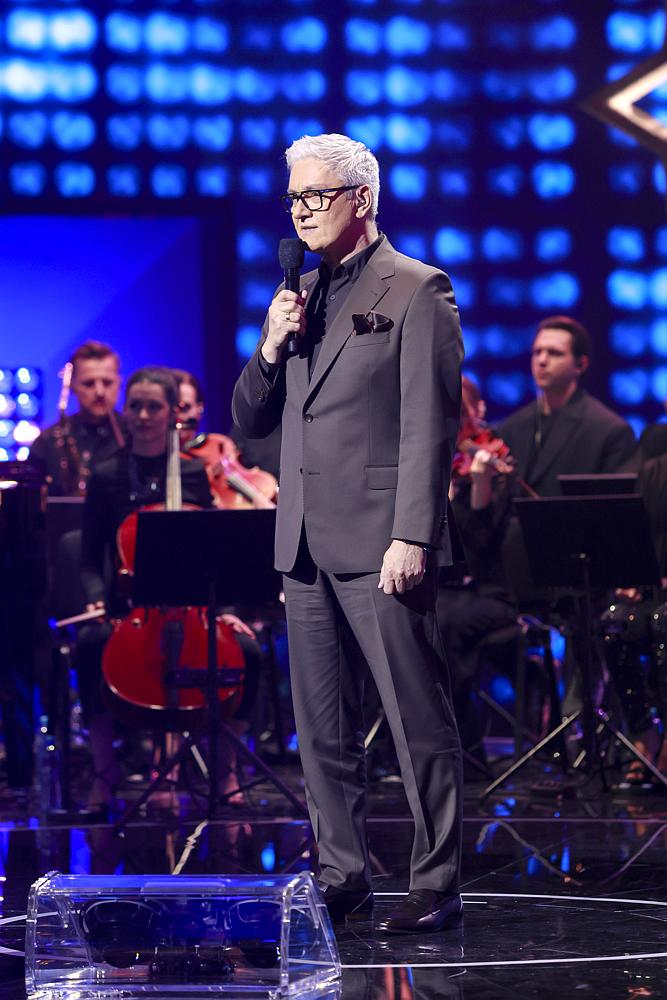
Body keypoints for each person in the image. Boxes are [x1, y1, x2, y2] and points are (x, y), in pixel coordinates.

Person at [233, 133, 464, 933]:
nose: (301, 211)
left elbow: (429, 424)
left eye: (316, 195)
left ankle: (436, 880)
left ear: (360, 199)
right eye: (293, 198)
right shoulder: (298, 294)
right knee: (320, 730)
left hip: (380, 539)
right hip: (301, 542)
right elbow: (249, 419)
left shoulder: (417, 288)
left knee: (414, 716)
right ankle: (342, 874)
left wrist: (414, 534)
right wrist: (269, 346)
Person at [78, 366, 255, 813]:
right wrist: (97, 598)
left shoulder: (194, 473)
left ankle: (227, 770)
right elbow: (89, 558)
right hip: (127, 611)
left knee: (249, 651)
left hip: (193, 607)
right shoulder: (106, 474)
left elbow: (215, 549)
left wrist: (226, 608)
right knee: (90, 644)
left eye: (153, 407)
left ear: (172, 412)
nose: (142, 416)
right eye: (135, 406)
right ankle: (104, 773)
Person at [437, 376, 517, 767]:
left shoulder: (491, 456)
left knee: (441, 623)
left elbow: (478, 547)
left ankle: (464, 750)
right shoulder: (431, 458)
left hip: (488, 591)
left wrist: (481, 486)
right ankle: (391, 748)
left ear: (476, 411)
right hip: (442, 588)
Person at [498, 316, 636, 497]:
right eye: (537, 352)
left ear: (580, 365)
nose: (542, 360)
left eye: (554, 353)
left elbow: (615, 507)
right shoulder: (511, 428)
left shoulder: (610, 431)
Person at [29, 340, 125, 496]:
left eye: (107, 382)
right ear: (72, 386)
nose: (99, 392)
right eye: (89, 383)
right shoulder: (47, 441)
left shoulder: (135, 436)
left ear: (119, 383)